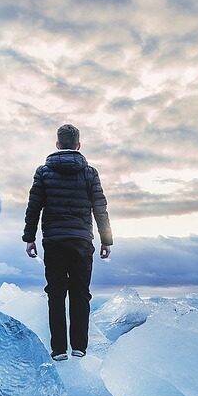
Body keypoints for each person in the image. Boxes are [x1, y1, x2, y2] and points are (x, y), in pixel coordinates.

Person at [23, 123, 113, 360]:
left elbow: (34, 207)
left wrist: (29, 238)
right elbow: (100, 208)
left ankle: (59, 350)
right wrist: (106, 240)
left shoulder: (43, 172)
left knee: (55, 294)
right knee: (80, 293)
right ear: (78, 145)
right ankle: (79, 347)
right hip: (82, 241)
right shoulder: (89, 173)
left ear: (57, 144)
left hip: (53, 241)